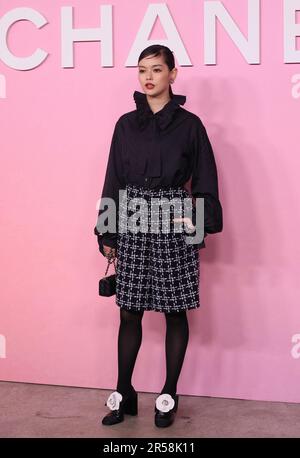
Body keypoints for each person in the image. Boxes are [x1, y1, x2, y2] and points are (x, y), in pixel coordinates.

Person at [94, 44, 223, 428]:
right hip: (132, 215)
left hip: (175, 218)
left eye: (156, 69)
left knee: (174, 308)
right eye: (142, 71)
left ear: (173, 74)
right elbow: (113, 177)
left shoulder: (190, 125)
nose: (148, 77)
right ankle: (124, 391)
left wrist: (197, 229)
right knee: (129, 309)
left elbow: (204, 179)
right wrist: (107, 227)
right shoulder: (124, 124)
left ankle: (168, 392)